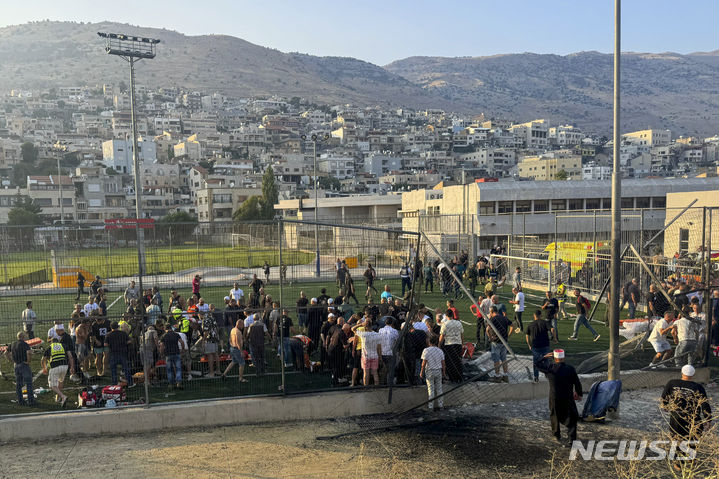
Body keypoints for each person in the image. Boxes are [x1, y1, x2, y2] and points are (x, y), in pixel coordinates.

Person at [535, 349, 583, 445]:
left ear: (554, 358)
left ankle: (556, 434)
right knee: (572, 416)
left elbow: (536, 364)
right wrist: (579, 393)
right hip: (568, 396)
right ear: (563, 358)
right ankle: (571, 438)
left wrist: (544, 357)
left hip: (554, 396)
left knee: (554, 414)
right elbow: (577, 383)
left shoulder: (550, 368)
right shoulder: (570, 369)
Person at [660, 365, 712, 441]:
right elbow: (704, 404)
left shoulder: (672, 383)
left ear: (681, 372)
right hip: (692, 418)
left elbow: (664, 397)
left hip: (676, 417)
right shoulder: (698, 387)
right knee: (692, 442)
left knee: (676, 440)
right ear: (693, 374)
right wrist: (708, 420)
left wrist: (665, 406)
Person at [6, 331, 35, 406]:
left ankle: (20, 400)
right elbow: (28, 353)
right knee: (28, 383)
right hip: (24, 365)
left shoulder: (12, 344)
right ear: (23, 337)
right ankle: (31, 401)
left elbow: (6, 353)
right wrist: (28, 361)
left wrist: (11, 360)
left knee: (18, 384)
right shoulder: (25, 344)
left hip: (16, 365)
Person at [526, 310, 555, 383]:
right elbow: (552, 329)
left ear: (534, 315)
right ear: (541, 315)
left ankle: (536, 377)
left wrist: (529, 345)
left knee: (536, 362)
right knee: (546, 360)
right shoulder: (545, 323)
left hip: (535, 346)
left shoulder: (530, 324)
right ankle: (547, 375)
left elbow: (527, 336)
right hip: (545, 345)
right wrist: (554, 338)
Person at [41, 336, 70, 408]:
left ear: (51, 342)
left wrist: (44, 368)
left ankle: (63, 396)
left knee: (52, 386)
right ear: (58, 342)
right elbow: (70, 356)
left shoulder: (49, 348)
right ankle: (58, 398)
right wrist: (72, 367)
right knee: (60, 381)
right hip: (65, 366)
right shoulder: (64, 346)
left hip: (55, 367)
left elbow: (42, 360)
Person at [487, 305, 514, 382]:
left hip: (496, 341)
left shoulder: (493, 319)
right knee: (504, 359)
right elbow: (512, 325)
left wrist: (490, 337)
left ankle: (497, 376)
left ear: (492, 312)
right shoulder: (504, 318)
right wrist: (508, 334)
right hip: (504, 341)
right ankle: (505, 375)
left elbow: (487, 329)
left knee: (496, 359)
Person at [420, 334, 446, 411]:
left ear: (429, 341)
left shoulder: (426, 350)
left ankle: (431, 406)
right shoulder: (440, 351)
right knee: (439, 389)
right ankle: (441, 405)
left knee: (431, 389)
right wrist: (443, 373)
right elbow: (443, 363)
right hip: (438, 370)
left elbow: (424, 363)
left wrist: (421, 372)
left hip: (430, 371)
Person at [353, 318, 382, 386]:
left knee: (366, 373)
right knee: (375, 373)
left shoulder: (363, 334)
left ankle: (366, 387)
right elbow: (379, 347)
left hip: (366, 356)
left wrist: (360, 324)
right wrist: (380, 357)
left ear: (365, 326)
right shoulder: (377, 335)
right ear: (372, 325)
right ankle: (376, 386)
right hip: (375, 356)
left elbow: (353, 329)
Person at [105, 321, 134, 388]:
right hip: (122, 353)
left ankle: (114, 383)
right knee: (126, 369)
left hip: (113, 353)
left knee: (113, 370)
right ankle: (130, 383)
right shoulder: (123, 333)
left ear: (111, 327)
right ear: (118, 327)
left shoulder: (108, 334)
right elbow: (129, 341)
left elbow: (105, 344)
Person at [440, 310, 464, 383]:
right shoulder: (458, 323)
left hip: (449, 344)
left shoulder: (445, 324)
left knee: (450, 362)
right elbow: (462, 334)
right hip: (458, 343)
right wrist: (462, 343)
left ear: (446, 316)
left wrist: (439, 344)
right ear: (453, 315)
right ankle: (459, 377)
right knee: (458, 361)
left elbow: (442, 336)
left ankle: (452, 378)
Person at [201, 308, 220, 377]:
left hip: (210, 339)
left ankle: (211, 373)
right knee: (216, 354)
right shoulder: (212, 318)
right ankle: (218, 370)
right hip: (215, 337)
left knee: (210, 355)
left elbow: (206, 331)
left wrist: (203, 340)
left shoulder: (205, 320)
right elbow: (217, 328)